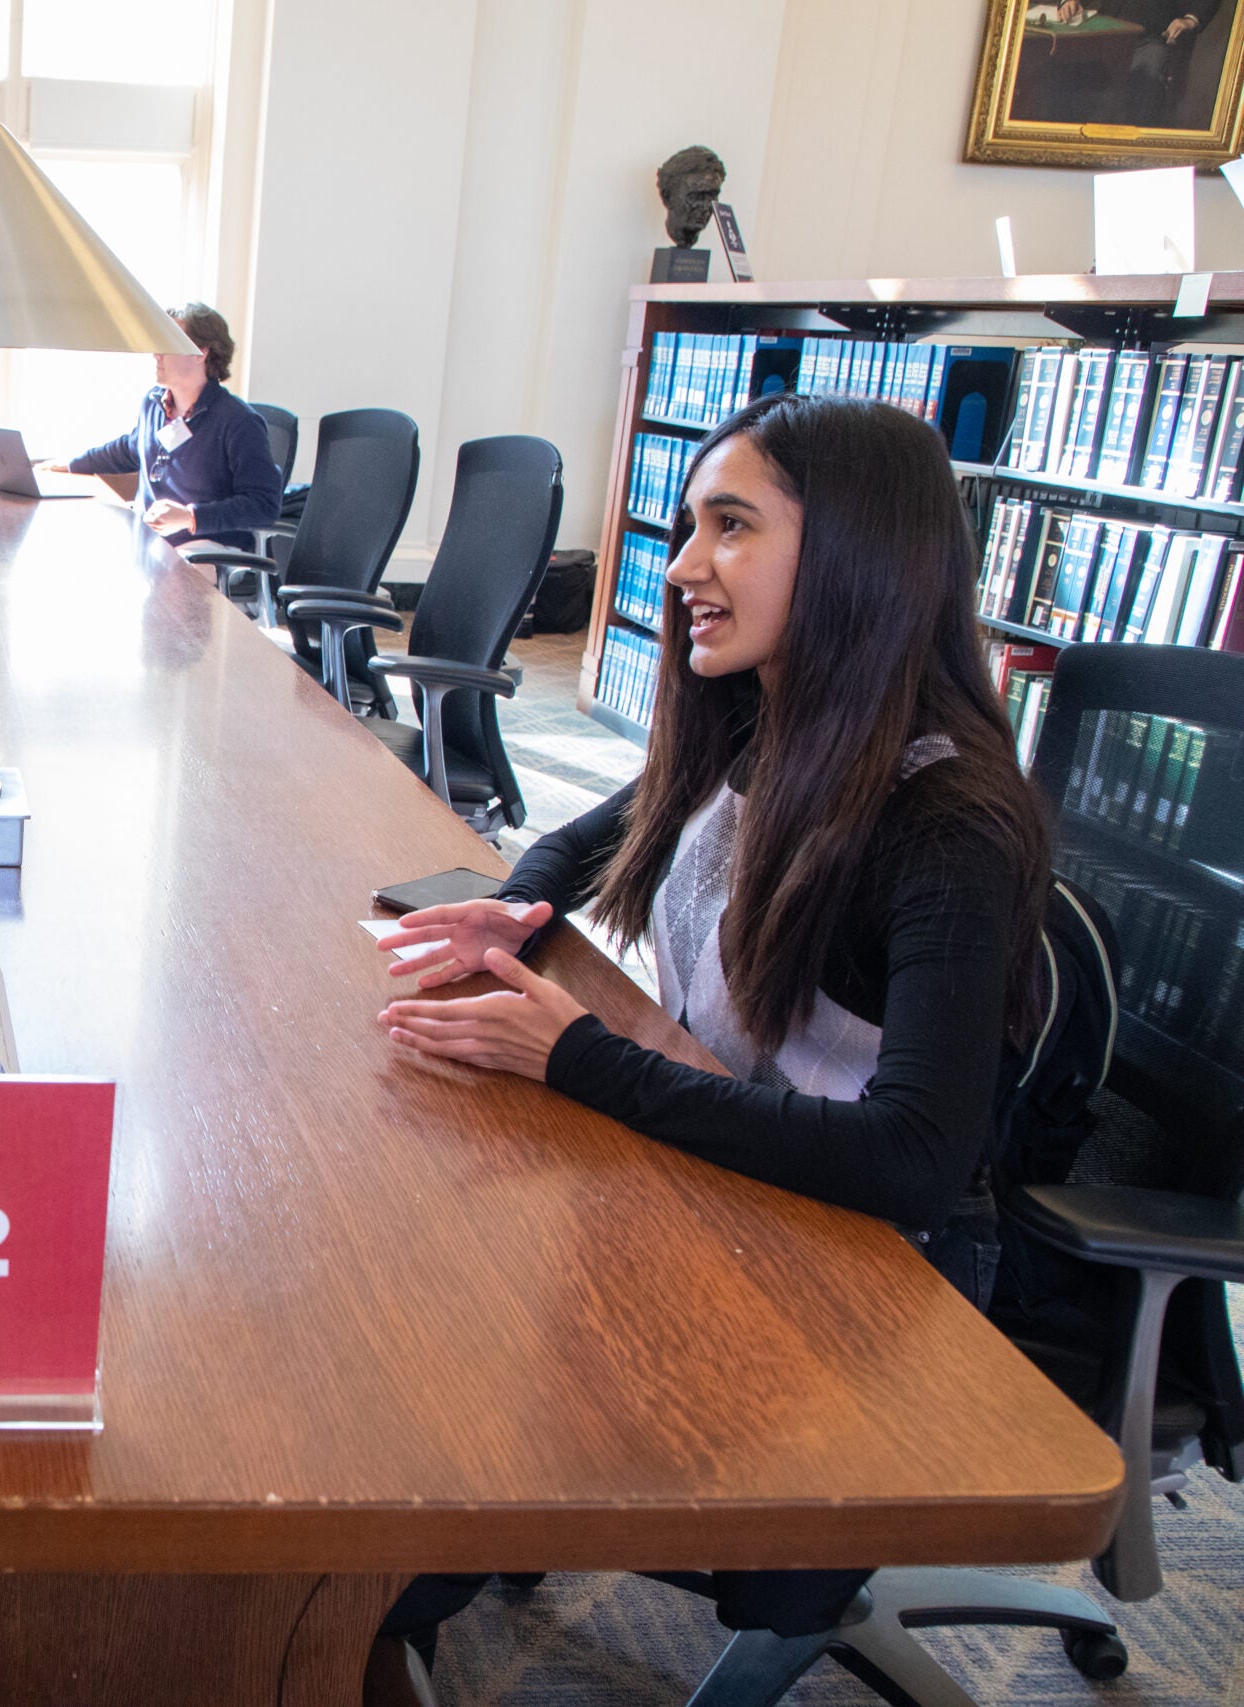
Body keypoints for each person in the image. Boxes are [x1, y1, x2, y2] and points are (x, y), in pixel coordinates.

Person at [361, 392, 1054, 1688]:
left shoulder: (948, 824)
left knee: (453, 1395)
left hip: (872, 1265)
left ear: (855, 555)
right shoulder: (765, 715)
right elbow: (604, 830)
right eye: (690, 525)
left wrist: (581, 1058)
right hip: (735, 1172)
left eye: (730, 526)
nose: (682, 566)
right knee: (423, 1283)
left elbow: (913, 1158)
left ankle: (402, 1581)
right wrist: (524, 900)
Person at [49, 303, 281, 550]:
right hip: (151, 542)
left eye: (167, 344)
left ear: (200, 354)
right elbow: (130, 449)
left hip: (207, 548)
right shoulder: (154, 403)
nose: (156, 354)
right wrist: (70, 464)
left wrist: (190, 517)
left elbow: (263, 505)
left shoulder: (239, 421)